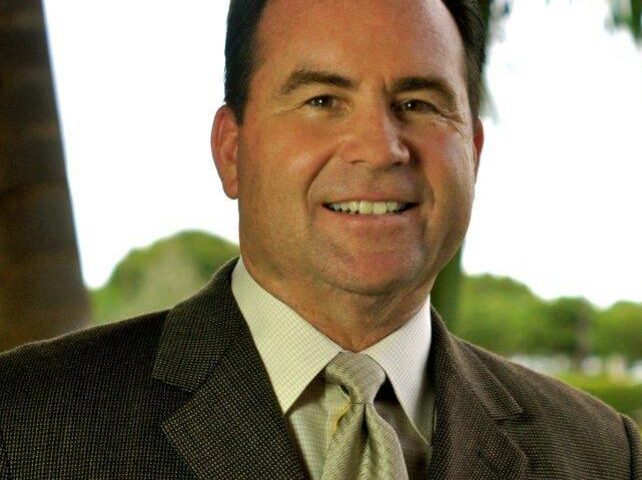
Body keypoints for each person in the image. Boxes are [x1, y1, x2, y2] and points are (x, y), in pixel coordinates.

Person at [0, 0, 640, 478]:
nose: (380, 149)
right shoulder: (23, 426)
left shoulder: (607, 456)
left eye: (417, 103)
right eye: (323, 101)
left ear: (472, 150)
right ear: (232, 150)